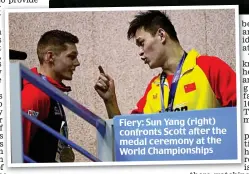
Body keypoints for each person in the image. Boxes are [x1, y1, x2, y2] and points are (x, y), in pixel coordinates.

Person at [94, 10, 236, 119]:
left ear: (161, 35)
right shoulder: (153, 88)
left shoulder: (210, 67)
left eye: (142, 43)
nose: (140, 52)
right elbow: (128, 136)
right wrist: (110, 101)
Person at [22, 30, 80, 162]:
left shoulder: (50, 90)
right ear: (50, 57)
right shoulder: (35, 93)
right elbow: (17, 152)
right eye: (71, 56)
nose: (77, 63)